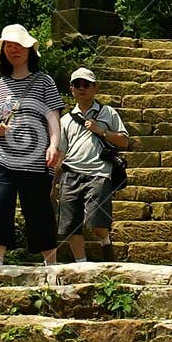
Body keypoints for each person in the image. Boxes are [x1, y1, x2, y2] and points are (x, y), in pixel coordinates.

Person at [0, 24, 62, 267]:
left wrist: (54, 145)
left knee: (39, 212)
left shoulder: (44, 81)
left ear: (29, 49)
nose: (14, 50)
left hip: (36, 159)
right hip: (3, 158)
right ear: (2, 51)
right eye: (9, 46)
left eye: (19, 45)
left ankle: (52, 268)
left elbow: (52, 117)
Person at [57, 67, 129, 262]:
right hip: (71, 172)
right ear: (71, 89)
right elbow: (61, 152)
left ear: (95, 88)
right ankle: (81, 263)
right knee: (71, 223)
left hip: (99, 173)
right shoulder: (65, 120)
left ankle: (105, 242)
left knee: (97, 222)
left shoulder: (108, 112)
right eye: (77, 84)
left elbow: (124, 141)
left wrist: (102, 131)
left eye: (86, 84)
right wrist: (53, 179)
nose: (82, 88)